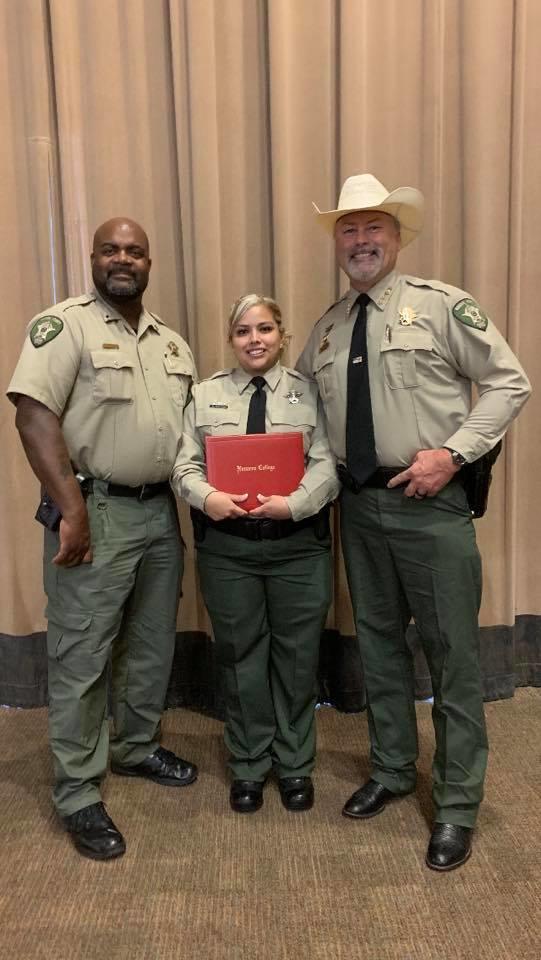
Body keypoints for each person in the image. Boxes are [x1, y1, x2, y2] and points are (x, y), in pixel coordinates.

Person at [297, 174, 531, 871]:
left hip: (430, 507)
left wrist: (452, 455)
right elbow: (303, 409)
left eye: (373, 228)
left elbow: (508, 382)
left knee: (452, 654)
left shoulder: (440, 307)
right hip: (359, 509)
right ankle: (394, 768)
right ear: (336, 242)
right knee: (376, 646)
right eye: (348, 229)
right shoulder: (330, 328)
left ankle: (457, 803)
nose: (361, 240)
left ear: (397, 238)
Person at [7, 218, 198, 861]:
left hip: (159, 515)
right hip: (94, 510)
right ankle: (79, 792)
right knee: (82, 654)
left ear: (150, 262)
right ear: (91, 258)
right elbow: (33, 416)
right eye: (111, 249)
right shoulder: (65, 325)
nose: (123, 259)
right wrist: (72, 510)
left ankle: (135, 747)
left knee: (149, 644)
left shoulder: (172, 342)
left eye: (135, 251)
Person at [172, 294, 339, 814]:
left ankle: (293, 764)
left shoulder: (311, 394)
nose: (255, 340)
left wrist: (294, 504)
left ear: (282, 335)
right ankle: (248, 763)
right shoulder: (205, 396)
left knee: (295, 659)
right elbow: (184, 466)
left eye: (265, 329)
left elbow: (329, 464)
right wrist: (209, 498)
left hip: (297, 548)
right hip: (229, 550)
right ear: (231, 339)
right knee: (241, 657)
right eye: (243, 331)